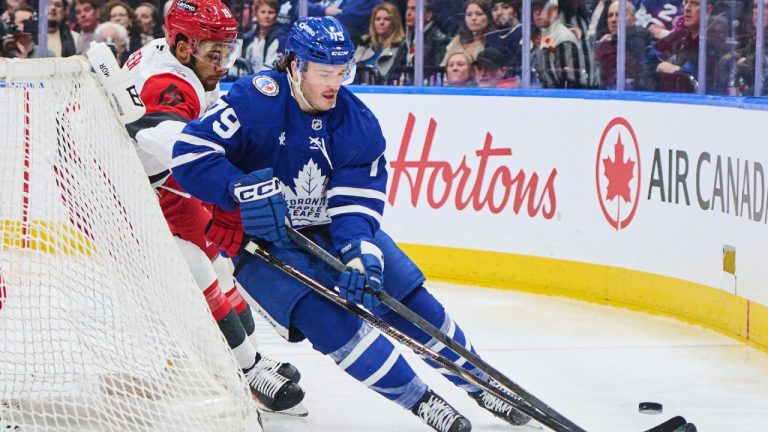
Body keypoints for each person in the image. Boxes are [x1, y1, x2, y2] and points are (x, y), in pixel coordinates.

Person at [171, 15, 534, 432]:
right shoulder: (256, 101)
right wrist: (239, 189)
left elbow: (354, 200)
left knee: (410, 299)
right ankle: (422, 400)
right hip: (261, 240)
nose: (334, 83)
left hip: (329, 228)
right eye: (324, 73)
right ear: (295, 66)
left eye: (342, 72)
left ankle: (479, 381)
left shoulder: (356, 122)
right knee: (328, 322)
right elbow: (190, 153)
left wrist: (359, 249)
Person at [121, 0, 304, 412]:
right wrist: (231, 187)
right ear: (184, 46)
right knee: (194, 266)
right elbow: (180, 147)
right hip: (114, 184)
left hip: (155, 175)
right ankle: (249, 372)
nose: (222, 64)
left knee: (219, 262)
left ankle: (252, 359)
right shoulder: (167, 84)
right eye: (214, 53)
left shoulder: (178, 57)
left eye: (227, 51)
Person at [594, 0, 653, 90]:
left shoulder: (643, 45)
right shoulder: (602, 47)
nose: (613, 20)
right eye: (610, 15)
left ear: (633, 19)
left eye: (619, 15)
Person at [531, 0, 588, 88]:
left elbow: (572, 81)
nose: (538, 13)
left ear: (554, 11)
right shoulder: (535, 37)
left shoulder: (564, 39)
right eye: (534, 9)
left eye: (542, 8)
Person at [353, 2, 408, 85]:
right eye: (378, 19)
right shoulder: (364, 44)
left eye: (386, 19)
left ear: (394, 22)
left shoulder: (401, 46)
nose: (381, 22)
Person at [441, 0, 496, 65]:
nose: (473, 18)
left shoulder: (495, 41)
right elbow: (443, 66)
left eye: (479, 14)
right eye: (469, 15)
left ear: (489, 17)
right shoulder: (458, 40)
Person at [242, 0, 287, 72]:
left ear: (276, 15)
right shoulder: (248, 37)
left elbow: (270, 70)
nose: (266, 16)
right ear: (256, 14)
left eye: (271, 12)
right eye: (263, 12)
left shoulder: (281, 38)